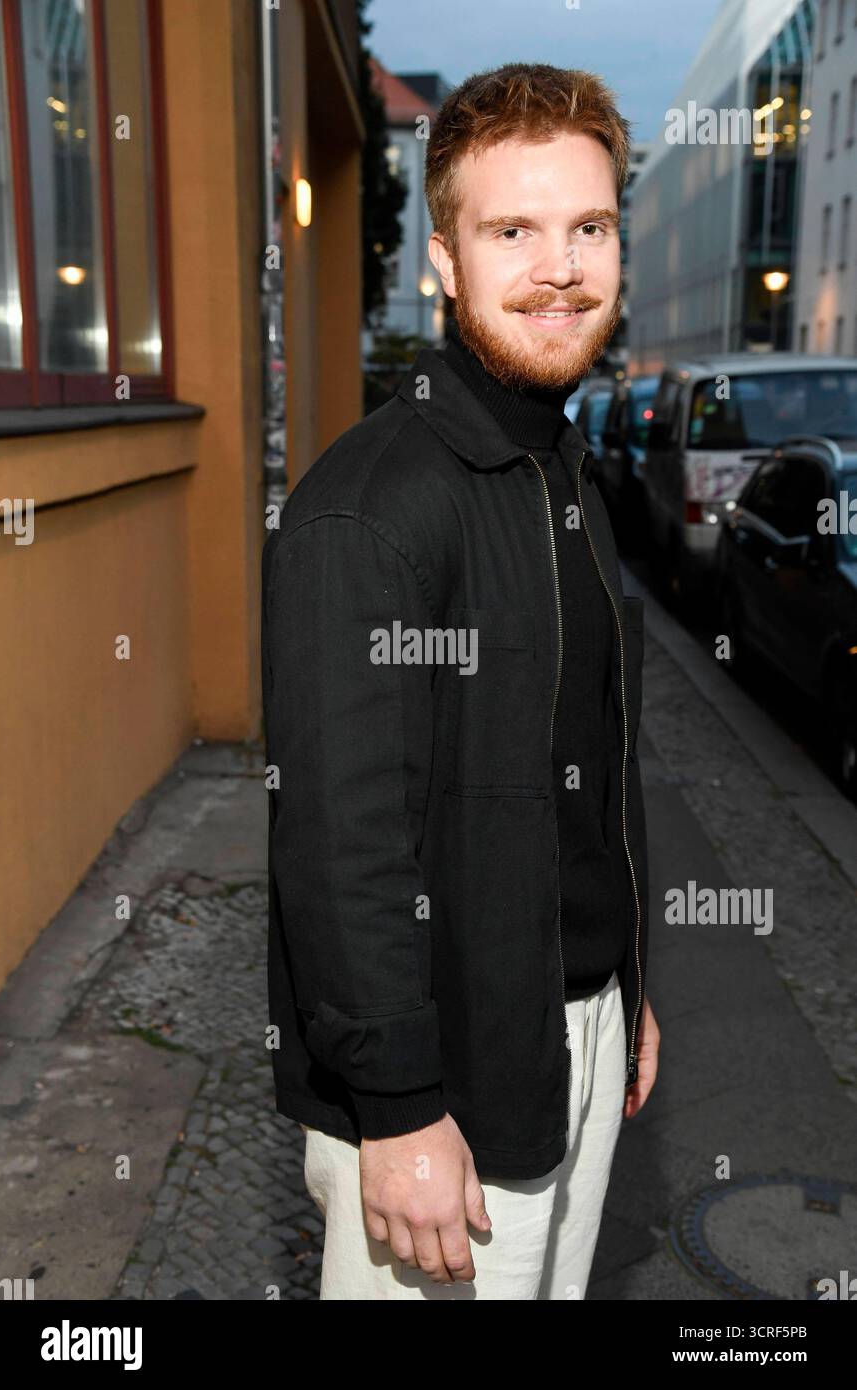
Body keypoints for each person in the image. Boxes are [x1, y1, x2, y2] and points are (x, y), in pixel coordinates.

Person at [261, 62, 660, 1301]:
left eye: (587, 227)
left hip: (573, 1025)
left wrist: (624, 987)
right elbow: (340, 845)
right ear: (441, 262)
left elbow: (586, 768)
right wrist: (397, 1110)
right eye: (512, 231)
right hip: (445, 1085)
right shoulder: (369, 513)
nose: (559, 267)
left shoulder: (559, 470)